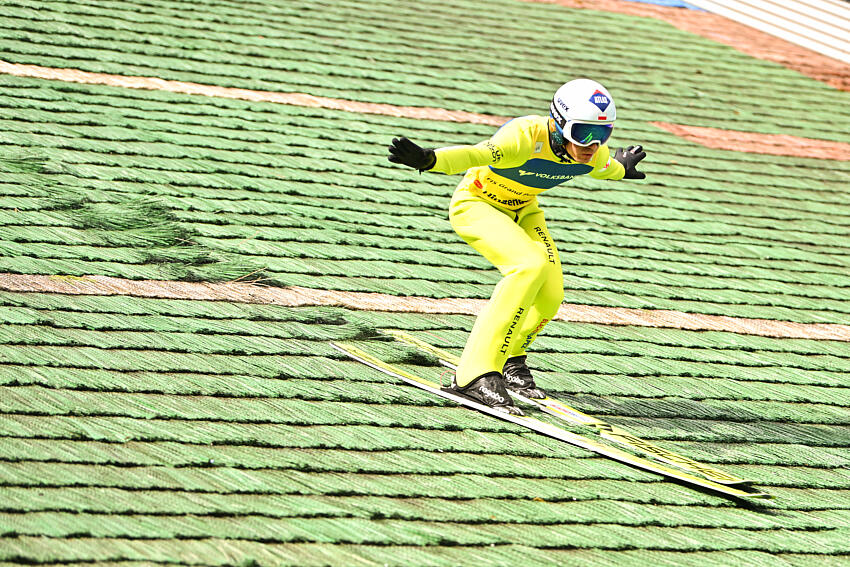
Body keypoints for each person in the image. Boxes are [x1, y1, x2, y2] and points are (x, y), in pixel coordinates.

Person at [387, 78, 646, 415]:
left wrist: (622, 168)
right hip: (478, 203)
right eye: (583, 133)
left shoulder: (592, 153)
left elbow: (606, 168)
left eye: (604, 134)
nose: (592, 144)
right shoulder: (524, 137)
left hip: (524, 209)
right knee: (529, 265)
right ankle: (472, 375)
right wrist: (430, 159)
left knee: (551, 294)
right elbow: (476, 154)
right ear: (558, 123)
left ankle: (510, 359)